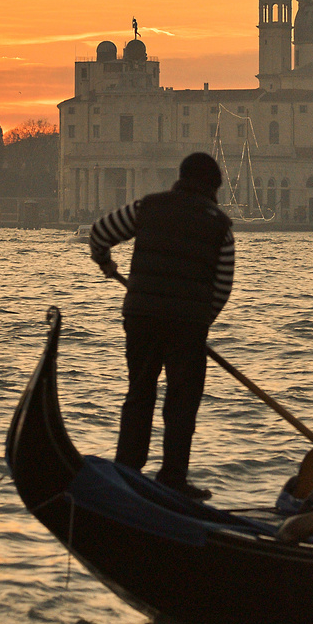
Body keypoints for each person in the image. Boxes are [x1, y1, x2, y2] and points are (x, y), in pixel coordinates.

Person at [89, 152, 235, 500]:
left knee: (139, 392)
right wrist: (201, 320)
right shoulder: (219, 225)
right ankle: (172, 478)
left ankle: (127, 469)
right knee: (182, 402)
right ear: (214, 187)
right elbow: (223, 284)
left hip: (141, 314)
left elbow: (99, 233)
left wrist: (105, 263)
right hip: (188, 324)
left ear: (180, 176)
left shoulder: (148, 207)